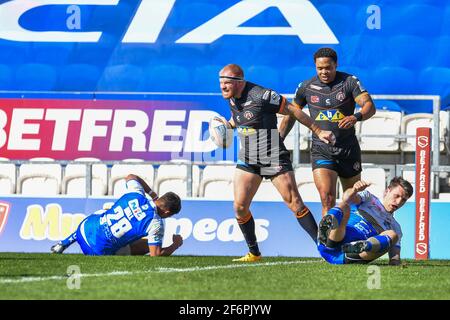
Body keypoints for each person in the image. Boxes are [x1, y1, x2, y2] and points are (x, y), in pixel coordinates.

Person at [218, 63, 336, 262]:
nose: (222, 87)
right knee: (239, 207)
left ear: (240, 82)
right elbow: (238, 117)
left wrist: (318, 131)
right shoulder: (231, 97)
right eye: (220, 83)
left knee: (295, 203)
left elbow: (294, 110)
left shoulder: (262, 95)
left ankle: (324, 248)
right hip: (248, 157)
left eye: (226, 83)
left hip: (272, 155)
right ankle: (254, 253)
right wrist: (227, 126)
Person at [279, 47, 376, 216]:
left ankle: (350, 238)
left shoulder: (349, 82)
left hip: (348, 150)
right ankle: (327, 242)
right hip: (322, 150)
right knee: (327, 198)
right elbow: (292, 114)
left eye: (328, 68)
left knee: (353, 201)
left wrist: (356, 117)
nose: (324, 72)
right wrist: (277, 140)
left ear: (336, 65)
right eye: (320, 68)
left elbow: (369, 106)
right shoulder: (306, 87)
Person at [51, 174, 183, 256]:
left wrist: (152, 193)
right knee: (145, 246)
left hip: (82, 230)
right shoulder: (156, 223)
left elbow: (132, 177)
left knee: (104, 210)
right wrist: (175, 244)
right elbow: (156, 255)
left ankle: (63, 244)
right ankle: (66, 243)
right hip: (95, 251)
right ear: (167, 212)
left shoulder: (137, 194)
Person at [317, 177, 413, 265]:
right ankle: (326, 230)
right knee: (343, 205)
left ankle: (363, 246)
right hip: (334, 240)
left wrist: (396, 261)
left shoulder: (395, 226)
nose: (399, 201)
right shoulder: (369, 198)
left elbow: (394, 257)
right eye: (396, 196)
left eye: (403, 200)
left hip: (350, 257)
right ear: (387, 191)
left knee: (393, 235)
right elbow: (346, 198)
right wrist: (354, 190)